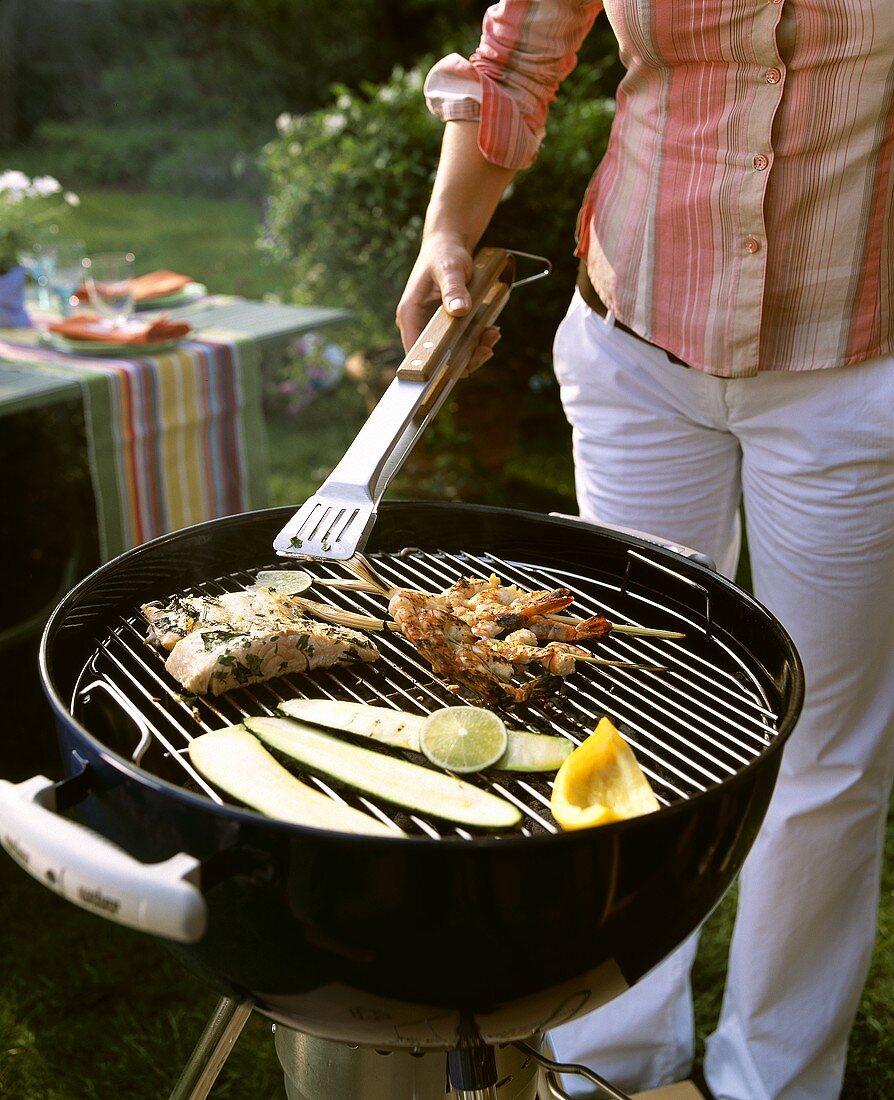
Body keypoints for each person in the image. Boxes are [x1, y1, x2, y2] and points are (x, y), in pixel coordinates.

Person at [395, 3, 894, 1099]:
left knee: (823, 746)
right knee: (619, 704)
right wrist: (445, 231)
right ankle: (607, 1065)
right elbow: (516, 63)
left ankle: (776, 1078)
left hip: (853, 366)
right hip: (638, 351)